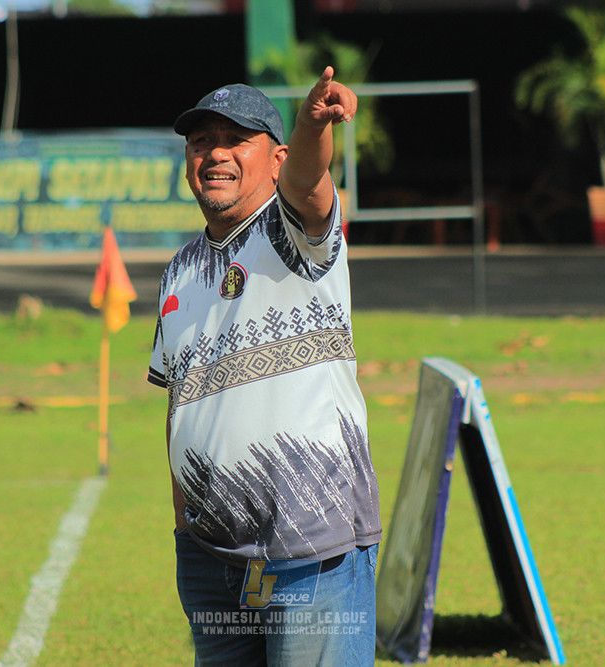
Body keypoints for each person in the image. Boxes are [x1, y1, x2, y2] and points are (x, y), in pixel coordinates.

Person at [147, 67, 381, 666]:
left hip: (309, 553)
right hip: (210, 560)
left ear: (275, 158)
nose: (215, 154)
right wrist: (184, 528)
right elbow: (179, 406)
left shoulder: (294, 232)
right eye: (201, 141)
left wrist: (311, 124)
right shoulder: (178, 270)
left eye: (235, 139)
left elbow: (308, 181)